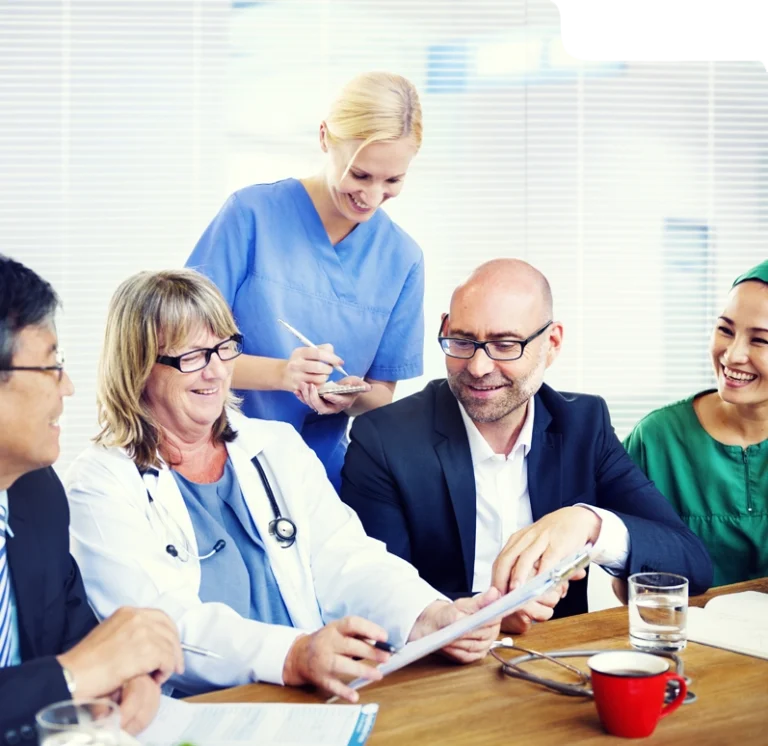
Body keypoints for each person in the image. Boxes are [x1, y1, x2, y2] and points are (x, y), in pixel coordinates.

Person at [65, 269, 501, 703]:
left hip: (309, 695)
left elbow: (347, 560)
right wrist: (291, 655)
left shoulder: (275, 446)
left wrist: (429, 615)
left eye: (223, 348)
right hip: (195, 711)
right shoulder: (100, 483)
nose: (216, 373)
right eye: (192, 356)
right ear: (138, 366)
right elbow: (156, 626)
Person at [341, 259, 714, 631]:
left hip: (558, 659)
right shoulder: (384, 438)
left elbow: (691, 564)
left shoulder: (585, 424)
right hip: (435, 666)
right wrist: (491, 613)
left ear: (551, 345)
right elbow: (374, 591)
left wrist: (589, 525)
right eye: (462, 341)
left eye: (505, 344)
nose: (478, 367)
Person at [186, 72, 426, 491]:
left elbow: (380, 397)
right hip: (220, 461)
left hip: (318, 478)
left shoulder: (402, 259)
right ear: (324, 139)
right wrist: (284, 373)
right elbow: (183, 354)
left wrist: (350, 396)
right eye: (361, 174)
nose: (371, 197)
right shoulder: (251, 215)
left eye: (393, 181)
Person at [0, 256, 184, 740]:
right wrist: (72, 676)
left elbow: (82, 640)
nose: (69, 387)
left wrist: (129, 678)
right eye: (51, 365)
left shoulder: (36, 496)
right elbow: (79, 663)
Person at [624, 261, 768, 586]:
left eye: (760, 341)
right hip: (683, 633)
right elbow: (627, 579)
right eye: (725, 330)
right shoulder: (657, 439)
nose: (732, 356)